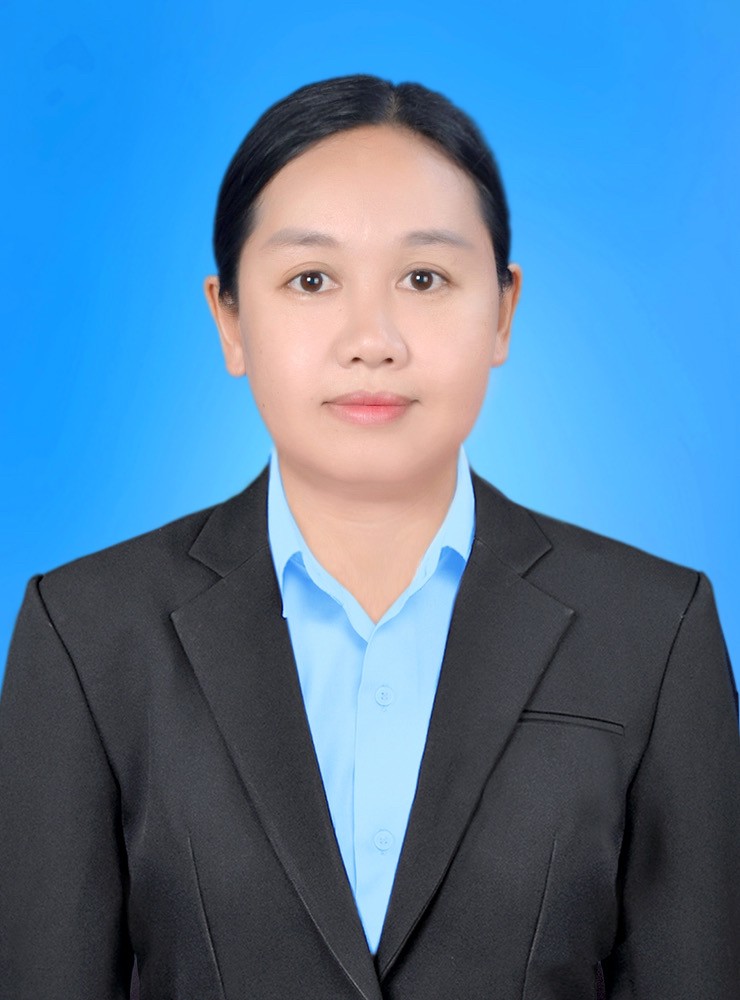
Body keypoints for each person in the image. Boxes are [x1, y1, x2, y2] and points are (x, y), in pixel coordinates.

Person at [0, 73, 738, 1000]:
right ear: (229, 319)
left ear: (503, 310)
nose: (372, 339)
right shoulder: (85, 634)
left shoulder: (656, 632)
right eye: (311, 280)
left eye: (424, 278)